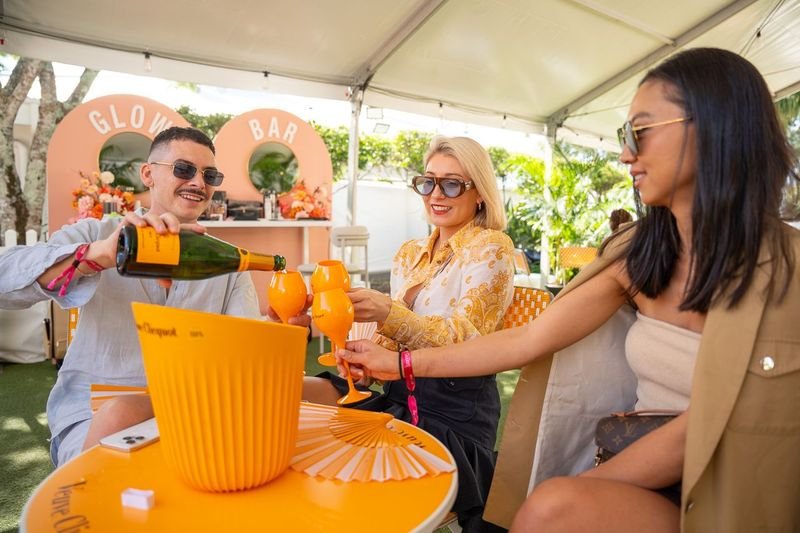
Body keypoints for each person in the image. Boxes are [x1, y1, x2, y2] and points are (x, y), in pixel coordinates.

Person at [339, 48, 800, 532]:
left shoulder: (786, 274)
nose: (625, 154)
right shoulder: (640, 254)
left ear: (714, 127)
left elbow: (714, 424)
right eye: (625, 136)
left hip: (737, 488)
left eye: (639, 132)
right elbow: (526, 340)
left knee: (549, 508)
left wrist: (596, 484)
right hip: (646, 470)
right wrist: (396, 363)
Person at [0, 127, 308, 467]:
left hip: (186, 411)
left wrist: (275, 333)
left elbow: (243, 349)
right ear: (148, 173)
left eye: (210, 175)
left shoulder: (230, 263)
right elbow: (6, 279)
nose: (198, 182)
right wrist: (97, 256)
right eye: (183, 169)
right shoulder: (98, 234)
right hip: (93, 413)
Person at [306, 135, 515, 531]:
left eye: (452, 183)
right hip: (398, 405)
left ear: (481, 194)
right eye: (428, 181)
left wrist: (388, 313)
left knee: (349, 476)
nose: (435, 194)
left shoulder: (492, 248)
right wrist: (363, 357)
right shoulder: (409, 252)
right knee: (311, 423)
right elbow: (392, 340)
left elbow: (469, 339)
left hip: (455, 418)